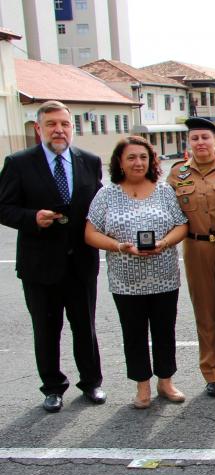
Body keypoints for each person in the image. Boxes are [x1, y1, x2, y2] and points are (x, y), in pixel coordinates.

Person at [0, 100, 105, 413]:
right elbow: (3, 207)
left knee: (85, 327)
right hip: (39, 266)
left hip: (81, 263)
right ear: (38, 128)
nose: (59, 130)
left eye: (64, 124)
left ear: (72, 128)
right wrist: (32, 218)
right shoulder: (18, 163)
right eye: (51, 124)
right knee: (46, 330)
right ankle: (53, 387)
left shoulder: (89, 161)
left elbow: (99, 205)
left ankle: (91, 382)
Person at [85, 136, 188, 408]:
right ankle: (142, 386)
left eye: (143, 157)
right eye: (131, 157)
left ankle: (165, 382)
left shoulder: (164, 191)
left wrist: (164, 243)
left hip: (164, 277)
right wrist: (119, 246)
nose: (138, 162)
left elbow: (182, 225)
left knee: (164, 331)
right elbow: (90, 233)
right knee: (133, 333)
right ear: (120, 162)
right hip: (125, 281)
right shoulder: (107, 194)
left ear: (151, 161)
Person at [167, 117, 215, 398]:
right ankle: (211, 373)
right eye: (195, 138)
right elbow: (169, 210)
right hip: (196, 247)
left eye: (205, 137)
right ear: (189, 142)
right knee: (204, 311)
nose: (200, 143)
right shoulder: (177, 173)